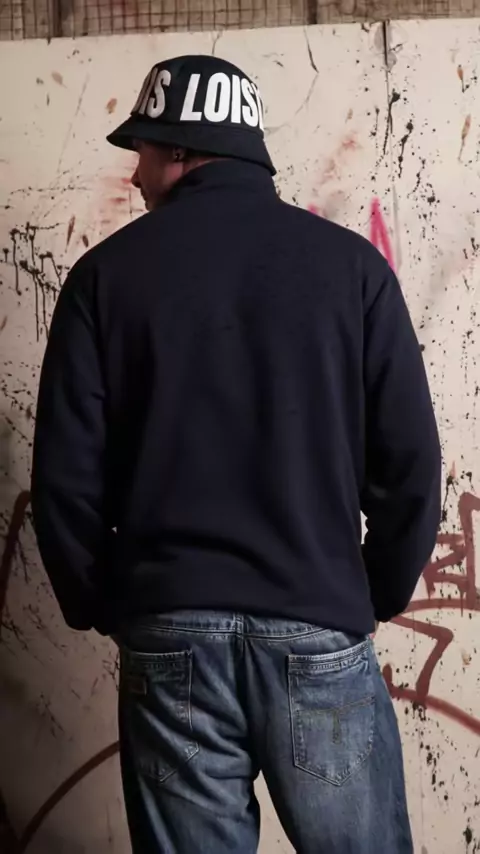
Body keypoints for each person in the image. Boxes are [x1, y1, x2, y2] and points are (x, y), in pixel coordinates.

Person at [31, 54, 441, 854]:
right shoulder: (352, 269)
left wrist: (106, 604)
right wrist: (369, 593)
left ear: (181, 149)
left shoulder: (103, 278)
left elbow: (66, 481)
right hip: (317, 623)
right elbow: (410, 463)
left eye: (144, 150)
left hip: (170, 634)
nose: (136, 174)